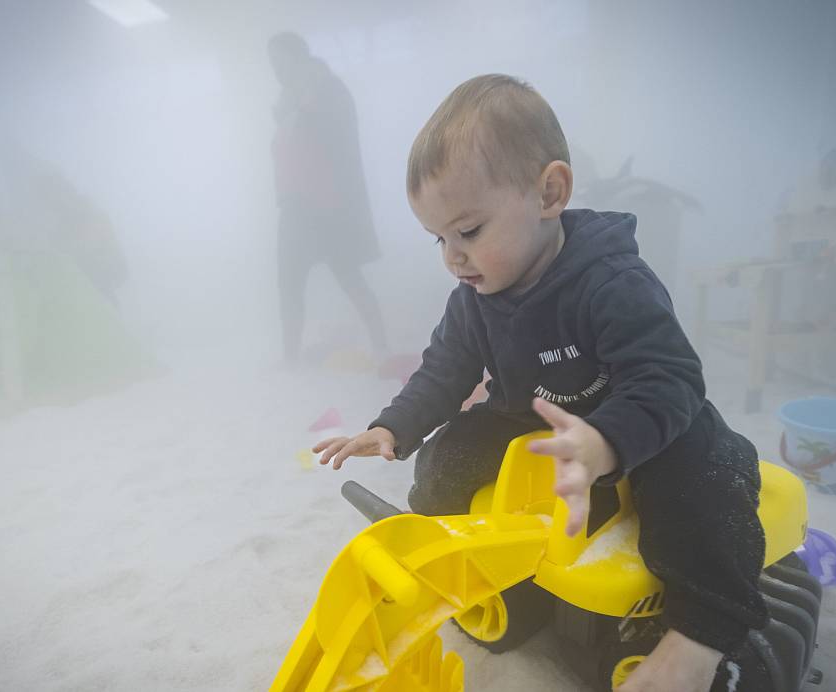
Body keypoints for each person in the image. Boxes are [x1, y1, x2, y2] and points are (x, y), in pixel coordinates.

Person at [312, 75, 768, 692]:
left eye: (469, 230)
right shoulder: (472, 301)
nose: (453, 256)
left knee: (706, 467)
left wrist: (606, 443)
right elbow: (444, 373)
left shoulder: (610, 280)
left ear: (549, 192)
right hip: (533, 419)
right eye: (439, 238)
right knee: (450, 451)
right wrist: (394, 425)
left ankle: (700, 637)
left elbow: (669, 378)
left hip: (639, 418)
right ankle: (457, 557)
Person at [267, 32, 388, 364]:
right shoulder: (287, 103)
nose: (276, 69)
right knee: (289, 285)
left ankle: (381, 345)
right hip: (294, 205)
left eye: (280, 60)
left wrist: (303, 110)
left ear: (299, 58)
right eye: (271, 63)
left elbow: (337, 146)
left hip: (326, 206)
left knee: (348, 275)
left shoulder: (326, 91)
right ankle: (290, 358)